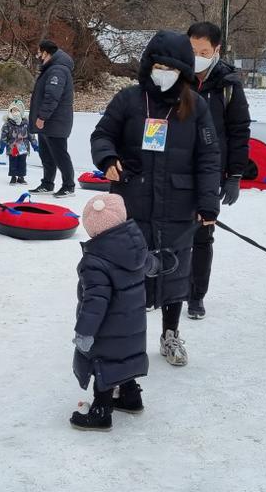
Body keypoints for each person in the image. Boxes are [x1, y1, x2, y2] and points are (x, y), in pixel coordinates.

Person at [91, 30, 221, 367]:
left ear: (183, 71)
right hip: (133, 200)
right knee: (130, 271)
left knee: (175, 272)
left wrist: (208, 203)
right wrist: (108, 159)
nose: (163, 72)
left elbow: (208, 157)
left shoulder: (196, 106)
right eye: (158, 65)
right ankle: (126, 336)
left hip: (179, 204)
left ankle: (170, 334)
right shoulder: (129, 100)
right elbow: (102, 134)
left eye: (171, 68)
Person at [186, 21, 251, 320]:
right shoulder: (175, 76)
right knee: (166, 233)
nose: (196, 55)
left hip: (211, 172)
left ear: (216, 51)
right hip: (176, 167)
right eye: (192, 49)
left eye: (203, 51)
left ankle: (196, 295)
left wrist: (235, 174)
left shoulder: (228, 85)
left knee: (202, 234)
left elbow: (239, 130)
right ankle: (157, 288)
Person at [71, 194, 151, 431]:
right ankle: (130, 397)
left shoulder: (95, 262)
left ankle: (101, 411)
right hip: (132, 326)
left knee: (104, 366)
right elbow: (150, 264)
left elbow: (95, 302)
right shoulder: (134, 247)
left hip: (107, 328)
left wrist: (84, 332)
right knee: (123, 359)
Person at [28, 40, 76, 199]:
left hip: (55, 121)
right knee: (46, 154)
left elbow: (52, 96)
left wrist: (42, 117)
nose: (38, 55)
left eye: (39, 52)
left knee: (59, 154)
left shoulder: (58, 70)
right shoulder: (51, 68)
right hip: (48, 122)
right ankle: (47, 183)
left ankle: (69, 185)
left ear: (46, 52)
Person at [0, 98, 38, 185]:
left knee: (22, 162)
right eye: (13, 110)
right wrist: (2, 146)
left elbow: (31, 135)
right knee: (13, 161)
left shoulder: (26, 123)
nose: (15, 112)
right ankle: (13, 177)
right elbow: (3, 136)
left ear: (21, 111)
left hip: (23, 145)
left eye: (17, 110)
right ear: (10, 111)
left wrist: (35, 145)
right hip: (12, 146)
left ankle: (21, 177)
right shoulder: (7, 124)